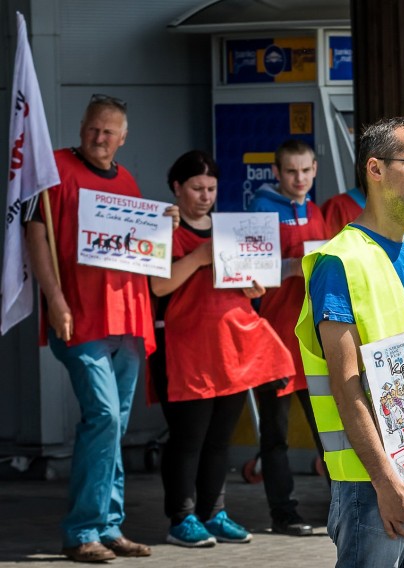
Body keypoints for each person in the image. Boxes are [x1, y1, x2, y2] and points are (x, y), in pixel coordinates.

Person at [294, 117, 404, 567]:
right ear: (375, 169)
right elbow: (346, 385)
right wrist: (385, 481)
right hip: (370, 475)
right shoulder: (338, 261)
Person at [24, 94, 176, 563]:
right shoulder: (53, 169)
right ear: (83, 127)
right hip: (81, 317)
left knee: (115, 425)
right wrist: (54, 298)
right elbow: (35, 233)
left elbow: (137, 246)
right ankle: (82, 530)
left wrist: (162, 226)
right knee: (105, 418)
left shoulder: (127, 180)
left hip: (127, 318)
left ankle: (109, 525)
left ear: (123, 138)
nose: (99, 137)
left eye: (109, 131)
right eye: (93, 128)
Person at [149, 150, 296, 548]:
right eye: (196, 188)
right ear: (176, 188)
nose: (205, 196)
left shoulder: (230, 228)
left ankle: (214, 512)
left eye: (211, 188)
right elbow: (158, 286)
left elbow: (250, 283)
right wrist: (198, 257)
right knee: (188, 437)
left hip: (233, 347)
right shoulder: (166, 227)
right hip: (185, 348)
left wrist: (255, 287)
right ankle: (181, 517)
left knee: (219, 439)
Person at [247, 139, 329, 536]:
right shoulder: (260, 210)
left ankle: (343, 504)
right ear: (276, 173)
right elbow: (248, 272)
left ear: (315, 170)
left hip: (313, 343)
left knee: (329, 428)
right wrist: (290, 267)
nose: (300, 179)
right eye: (291, 172)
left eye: (306, 171)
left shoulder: (315, 210)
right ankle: (284, 513)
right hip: (274, 340)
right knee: (275, 434)